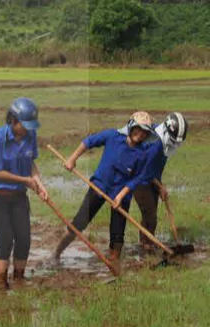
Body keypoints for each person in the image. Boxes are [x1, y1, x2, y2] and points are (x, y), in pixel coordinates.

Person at [49, 111, 155, 273]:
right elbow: (89, 142)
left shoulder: (142, 154)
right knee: (78, 224)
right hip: (100, 187)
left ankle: (113, 266)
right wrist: (72, 159)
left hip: (121, 195)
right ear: (131, 126)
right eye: (138, 129)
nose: (140, 134)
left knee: (118, 236)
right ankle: (55, 254)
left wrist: (120, 196)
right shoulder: (112, 136)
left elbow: (137, 179)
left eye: (144, 132)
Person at [0, 97, 49, 289]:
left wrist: (39, 183)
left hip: (18, 195)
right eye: (24, 125)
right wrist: (26, 181)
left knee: (24, 238)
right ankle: (1, 283)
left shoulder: (31, 136)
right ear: (13, 120)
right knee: (6, 237)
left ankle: (19, 279)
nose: (27, 129)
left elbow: (31, 164)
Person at [133, 112, 189, 252]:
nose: (175, 144)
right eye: (174, 140)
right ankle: (147, 247)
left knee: (150, 214)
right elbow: (145, 171)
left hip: (152, 176)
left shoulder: (163, 137)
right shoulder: (155, 145)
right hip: (140, 179)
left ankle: (145, 244)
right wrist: (160, 186)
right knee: (150, 216)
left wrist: (159, 185)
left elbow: (155, 167)